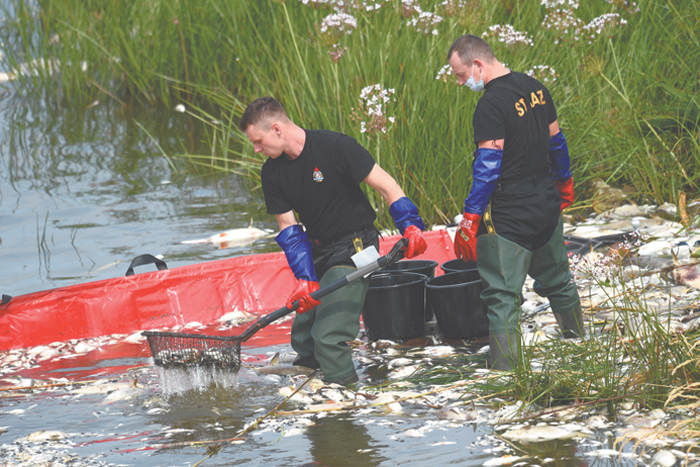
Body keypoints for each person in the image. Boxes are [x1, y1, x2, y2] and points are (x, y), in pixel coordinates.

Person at [239, 97, 428, 385]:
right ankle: (314, 400)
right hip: (320, 251)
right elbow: (289, 229)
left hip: (356, 248)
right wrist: (305, 278)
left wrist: (410, 226)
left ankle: (346, 406)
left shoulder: (336, 147)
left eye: (258, 141)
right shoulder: (271, 172)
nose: (256, 149)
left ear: (276, 128)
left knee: (327, 339)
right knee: (303, 336)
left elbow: (387, 186)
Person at [446, 35, 584, 370]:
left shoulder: (491, 105)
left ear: (478, 64)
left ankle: (506, 376)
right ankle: (581, 347)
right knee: (559, 282)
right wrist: (564, 181)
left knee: (502, 297)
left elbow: (488, 167)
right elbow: (557, 141)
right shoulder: (536, 88)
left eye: (461, 74)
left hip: (509, 212)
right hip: (545, 204)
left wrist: (469, 220)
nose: (461, 82)